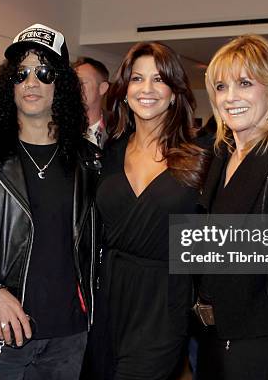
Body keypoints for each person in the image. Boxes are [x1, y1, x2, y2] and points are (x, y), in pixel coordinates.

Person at [0, 23, 101, 379]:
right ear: (10, 84)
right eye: (21, 74)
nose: (31, 82)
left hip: (69, 338)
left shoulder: (90, 161)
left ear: (61, 83)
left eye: (44, 72)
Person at [90, 41, 208, 380]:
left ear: (174, 92)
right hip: (108, 297)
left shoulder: (200, 155)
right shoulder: (108, 154)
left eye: (159, 79)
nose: (147, 89)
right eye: (138, 79)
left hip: (164, 302)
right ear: (125, 90)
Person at [196, 34, 268, 380]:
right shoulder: (223, 152)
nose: (230, 98)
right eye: (221, 86)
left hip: (264, 345)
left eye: (244, 83)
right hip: (214, 338)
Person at [73, 57, 110, 148]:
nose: (75, 88)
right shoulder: (55, 131)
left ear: (102, 88)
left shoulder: (120, 131)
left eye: (82, 83)